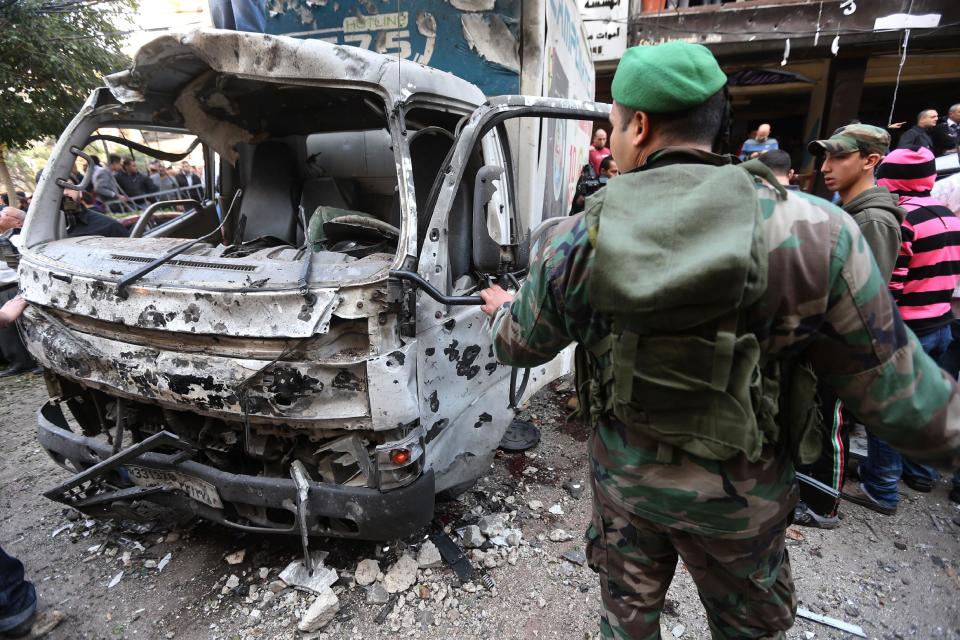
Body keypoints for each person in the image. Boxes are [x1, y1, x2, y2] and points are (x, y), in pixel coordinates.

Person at [478, 40, 960, 639]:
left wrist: (502, 310)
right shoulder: (817, 233)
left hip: (628, 496)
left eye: (615, 121)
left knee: (627, 630)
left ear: (640, 126)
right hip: (744, 506)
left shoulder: (575, 239)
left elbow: (520, 346)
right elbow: (904, 399)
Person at [795, 125, 905, 527]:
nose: (826, 167)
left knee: (831, 423)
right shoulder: (849, 210)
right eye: (825, 157)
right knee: (816, 417)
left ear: (870, 161)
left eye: (838, 157)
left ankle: (824, 506)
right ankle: (810, 490)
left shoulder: (873, 219)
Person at [845, 147, 960, 515]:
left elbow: (890, 287)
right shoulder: (949, 217)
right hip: (943, 323)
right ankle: (921, 473)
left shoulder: (904, 219)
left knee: (887, 409)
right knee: (925, 404)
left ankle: (881, 487)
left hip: (910, 327)